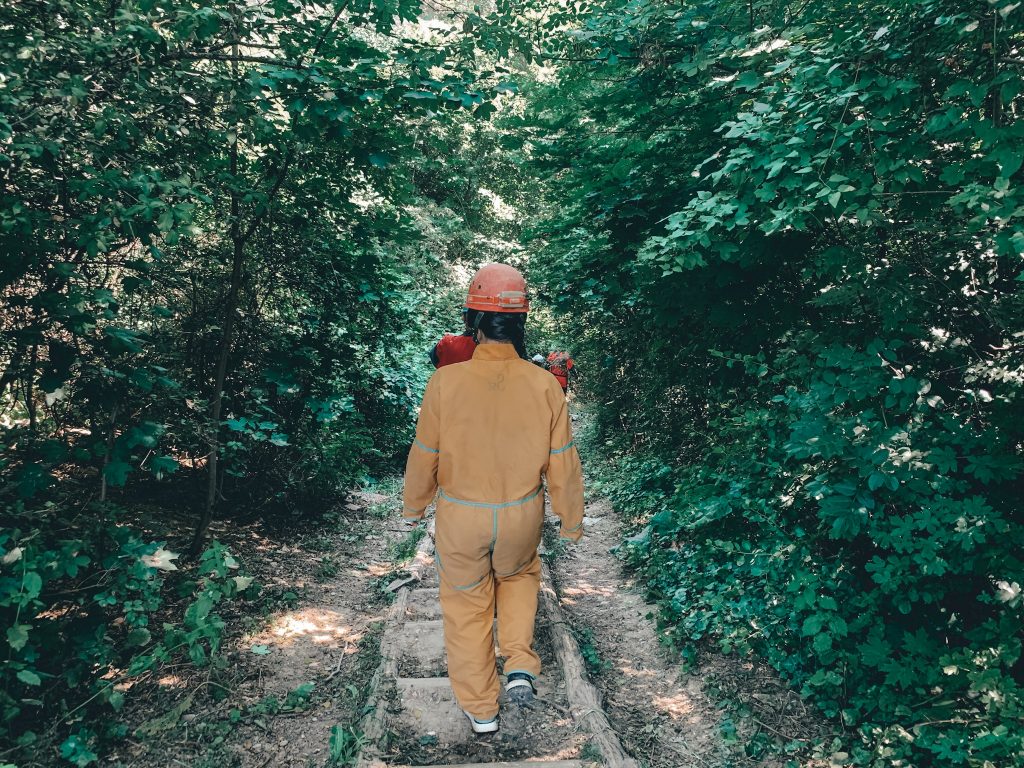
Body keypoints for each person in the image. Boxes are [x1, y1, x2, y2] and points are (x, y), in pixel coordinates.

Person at [402, 263, 585, 735]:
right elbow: (562, 460)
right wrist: (570, 519)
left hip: (462, 518)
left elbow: (426, 452)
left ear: (472, 320)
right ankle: (520, 664)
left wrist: (414, 505)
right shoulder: (545, 384)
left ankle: (482, 711)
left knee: (466, 608)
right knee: (520, 576)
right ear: (521, 321)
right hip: (521, 515)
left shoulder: (445, 382)